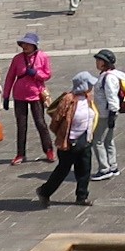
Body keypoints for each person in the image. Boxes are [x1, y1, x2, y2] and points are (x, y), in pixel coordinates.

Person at [37, 73, 98, 207]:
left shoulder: (88, 98)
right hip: (69, 142)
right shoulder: (68, 99)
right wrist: (62, 136)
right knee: (62, 170)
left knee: (84, 169)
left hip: (85, 140)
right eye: (89, 84)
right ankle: (44, 191)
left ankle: (82, 196)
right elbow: (56, 121)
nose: (92, 87)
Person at [6, 32, 54, 164]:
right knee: (21, 125)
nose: (25, 46)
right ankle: (20, 154)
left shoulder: (42, 56)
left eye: (28, 44)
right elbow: (10, 77)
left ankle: (48, 149)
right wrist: (6, 96)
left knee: (40, 123)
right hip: (19, 95)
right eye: (24, 44)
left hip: (36, 94)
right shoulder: (17, 59)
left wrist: (37, 74)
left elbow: (48, 74)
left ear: (34, 45)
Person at [89, 49, 125, 179]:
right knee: (108, 140)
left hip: (105, 114)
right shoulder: (110, 75)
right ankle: (113, 166)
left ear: (105, 63)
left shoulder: (108, 78)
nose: (97, 62)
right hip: (109, 113)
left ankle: (104, 169)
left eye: (99, 60)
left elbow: (111, 96)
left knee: (97, 141)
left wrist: (112, 113)